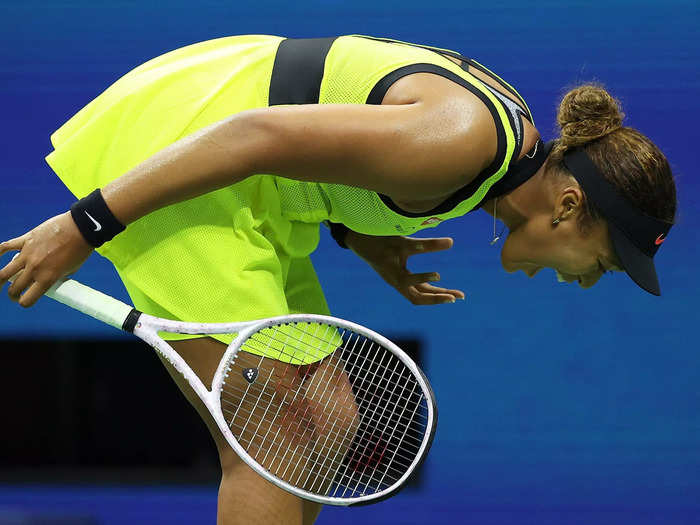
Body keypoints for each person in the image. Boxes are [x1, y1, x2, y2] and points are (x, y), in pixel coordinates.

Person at [0, 34, 676, 524]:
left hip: (257, 198)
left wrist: (362, 234)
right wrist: (86, 224)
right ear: (567, 208)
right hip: (190, 154)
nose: (588, 281)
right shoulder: (464, 141)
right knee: (279, 435)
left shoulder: (500, 150)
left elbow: (331, 130)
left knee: (329, 422)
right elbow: (253, 133)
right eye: (604, 262)